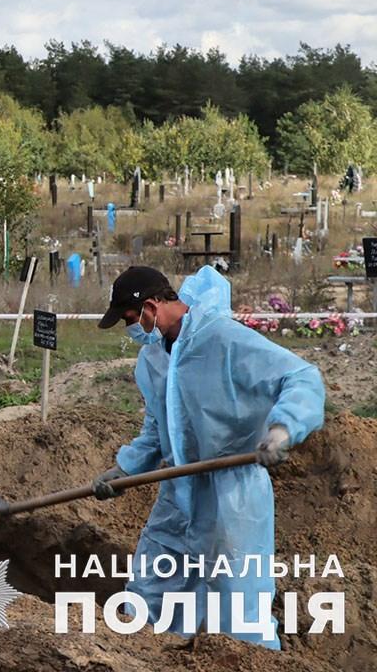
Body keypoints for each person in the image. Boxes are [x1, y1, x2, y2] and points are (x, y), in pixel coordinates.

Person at [93, 265, 324, 650]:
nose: (130, 329)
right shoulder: (153, 360)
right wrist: (124, 470)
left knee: (236, 604)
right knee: (150, 588)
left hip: (232, 496)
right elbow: (157, 427)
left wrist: (282, 430)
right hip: (178, 489)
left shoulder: (223, 339)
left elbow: (302, 377)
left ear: (151, 306)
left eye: (132, 319)